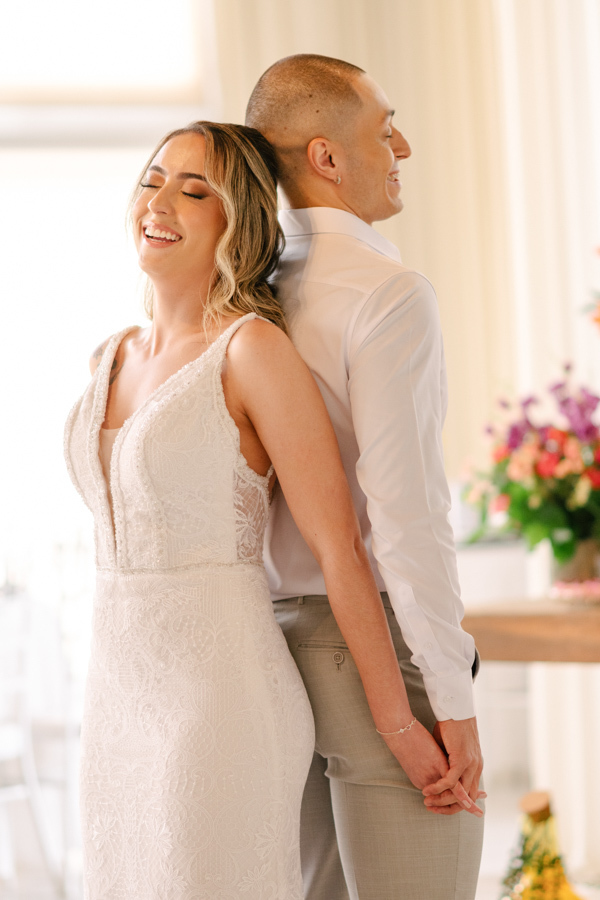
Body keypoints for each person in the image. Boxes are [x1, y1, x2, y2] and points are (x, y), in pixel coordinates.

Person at [64, 121, 470, 899]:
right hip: (117, 702)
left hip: (223, 702)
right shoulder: (107, 355)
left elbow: (341, 546)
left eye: (195, 191)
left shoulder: (252, 351)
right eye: (153, 179)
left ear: (237, 222)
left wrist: (399, 728)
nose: (160, 203)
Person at [246, 54, 485, 900]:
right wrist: (449, 701)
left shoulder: (253, 294)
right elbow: (406, 517)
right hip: (374, 647)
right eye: (387, 129)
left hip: (270, 650)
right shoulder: (386, 293)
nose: (405, 147)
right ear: (325, 157)